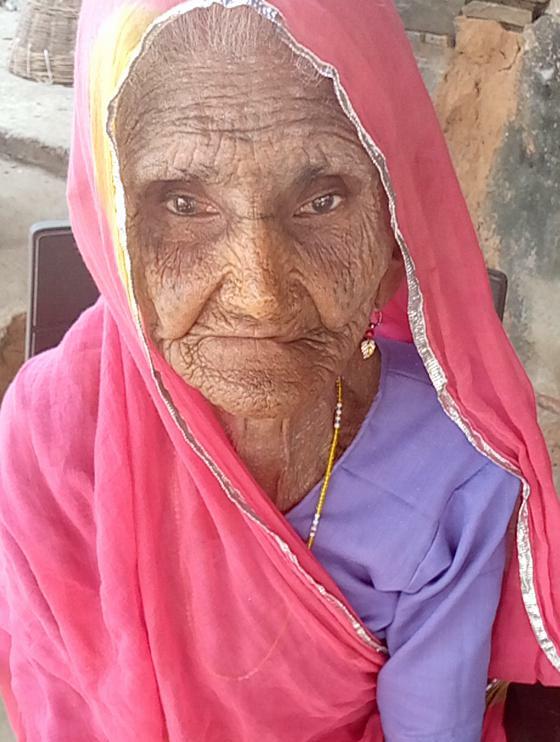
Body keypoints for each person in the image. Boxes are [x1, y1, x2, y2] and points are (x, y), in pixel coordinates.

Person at [0, 1, 558, 740]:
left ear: (395, 236)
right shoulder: (50, 432)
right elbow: (60, 702)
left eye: (323, 200)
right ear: (111, 233)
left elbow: (430, 725)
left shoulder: (460, 470)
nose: (260, 293)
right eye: (183, 202)